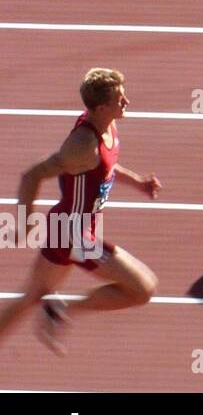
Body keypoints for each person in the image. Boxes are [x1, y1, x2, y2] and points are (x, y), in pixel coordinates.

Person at [0, 69, 161, 355]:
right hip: (73, 237)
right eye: (119, 98)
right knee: (143, 288)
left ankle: (56, 309)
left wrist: (138, 182)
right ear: (100, 107)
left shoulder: (107, 125)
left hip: (70, 228)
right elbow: (31, 176)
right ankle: (62, 308)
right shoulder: (81, 146)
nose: (126, 101)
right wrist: (24, 224)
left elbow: (106, 168)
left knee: (30, 296)